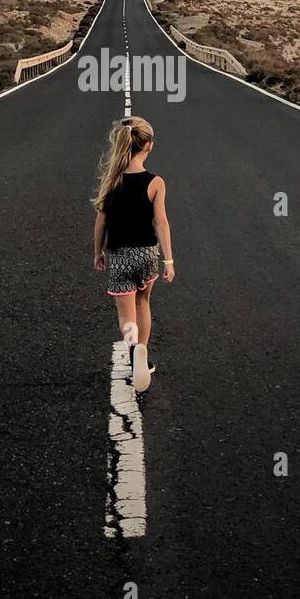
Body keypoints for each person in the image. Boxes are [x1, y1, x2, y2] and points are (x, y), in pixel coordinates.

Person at [92, 116, 174, 392]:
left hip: (119, 255)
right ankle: (144, 351)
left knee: (126, 316)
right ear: (149, 146)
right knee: (144, 302)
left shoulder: (112, 180)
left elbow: (101, 221)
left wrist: (98, 252)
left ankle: (133, 352)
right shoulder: (156, 182)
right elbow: (161, 222)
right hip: (148, 254)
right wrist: (169, 260)